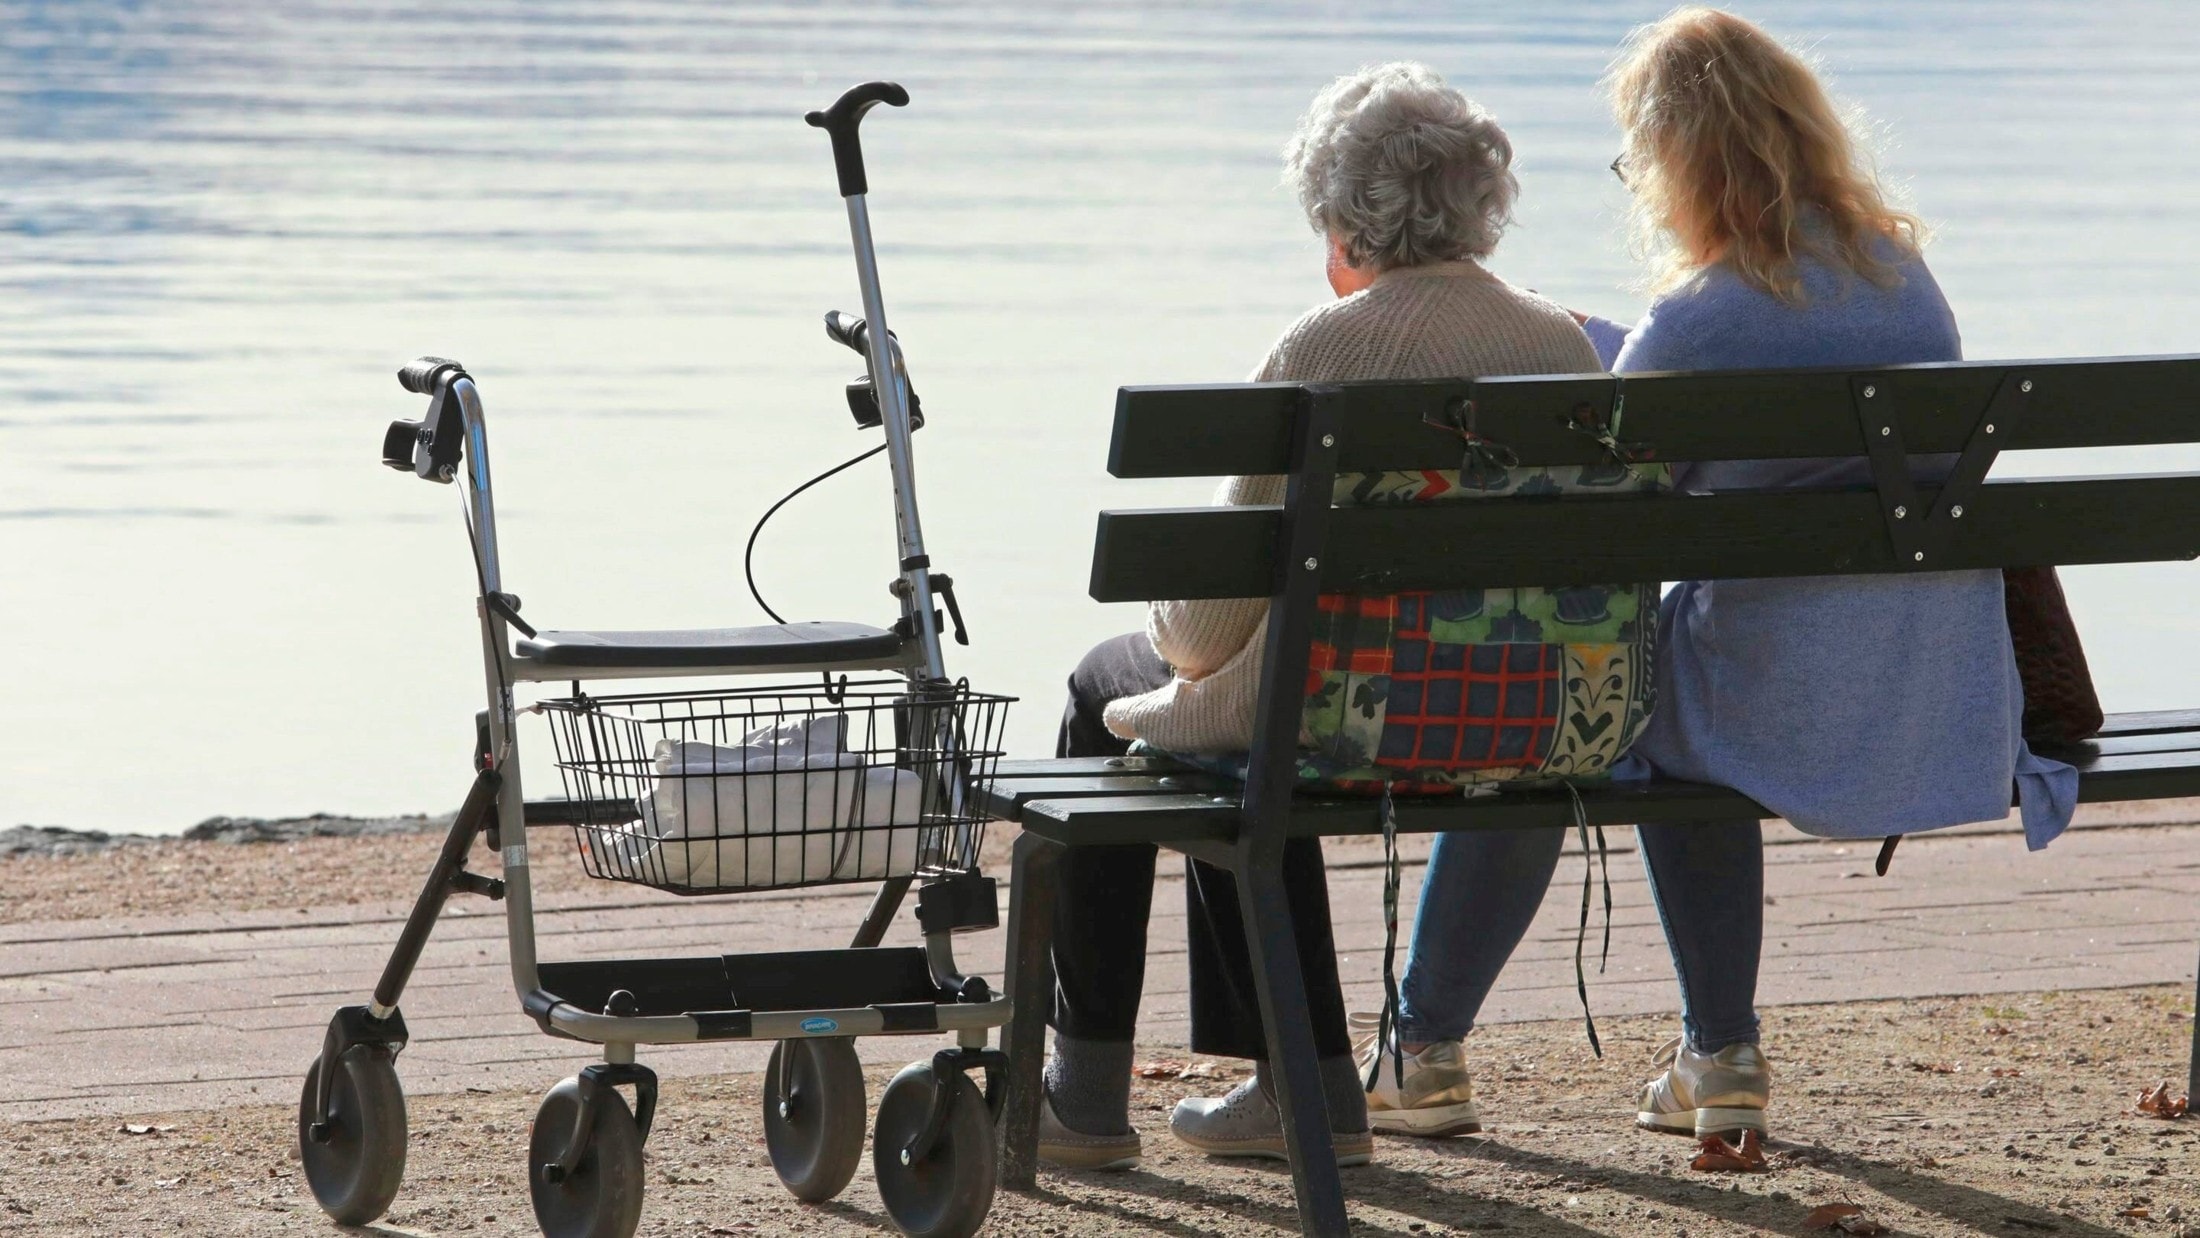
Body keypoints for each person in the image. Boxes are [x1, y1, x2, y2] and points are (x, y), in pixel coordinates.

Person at [1362, 6, 2078, 1143]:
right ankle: (1717, 1055)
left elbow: (1615, 510)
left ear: (1677, 160)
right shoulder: (1901, 275)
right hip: (1929, 684)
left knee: (1561, 719)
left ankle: (1422, 1048)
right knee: (1674, 702)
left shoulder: (1701, 316)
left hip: (1786, 696)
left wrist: (1588, 357)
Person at [1040, 61, 1663, 1172]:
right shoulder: (1559, 348)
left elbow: (1197, 637)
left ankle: (1087, 1094)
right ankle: (1304, 1083)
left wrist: (1168, 618)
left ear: (1338, 215)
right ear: (1484, 201)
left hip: (1345, 715)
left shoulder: (1322, 351)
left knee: (1120, 683)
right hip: (1524, 717)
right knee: (1254, 720)